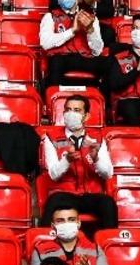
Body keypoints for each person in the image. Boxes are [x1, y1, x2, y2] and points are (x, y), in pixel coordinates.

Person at [38, 94, 119, 231]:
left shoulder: (98, 139)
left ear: (86, 116)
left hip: (90, 194)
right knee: (54, 201)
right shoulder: (50, 138)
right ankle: (44, 245)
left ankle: (108, 247)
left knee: (108, 203)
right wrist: (66, 160)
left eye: (77, 110)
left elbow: (108, 174)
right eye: (68, 110)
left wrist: (96, 159)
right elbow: (53, 174)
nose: (71, 114)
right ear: (63, 113)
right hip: (65, 194)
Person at [42, 0, 120, 90]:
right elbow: (45, 43)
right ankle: (54, 99)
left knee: (111, 63)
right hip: (63, 58)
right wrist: (72, 31)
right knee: (55, 62)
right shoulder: (50, 16)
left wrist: (90, 30)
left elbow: (97, 51)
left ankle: (102, 102)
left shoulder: (90, 16)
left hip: (85, 58)